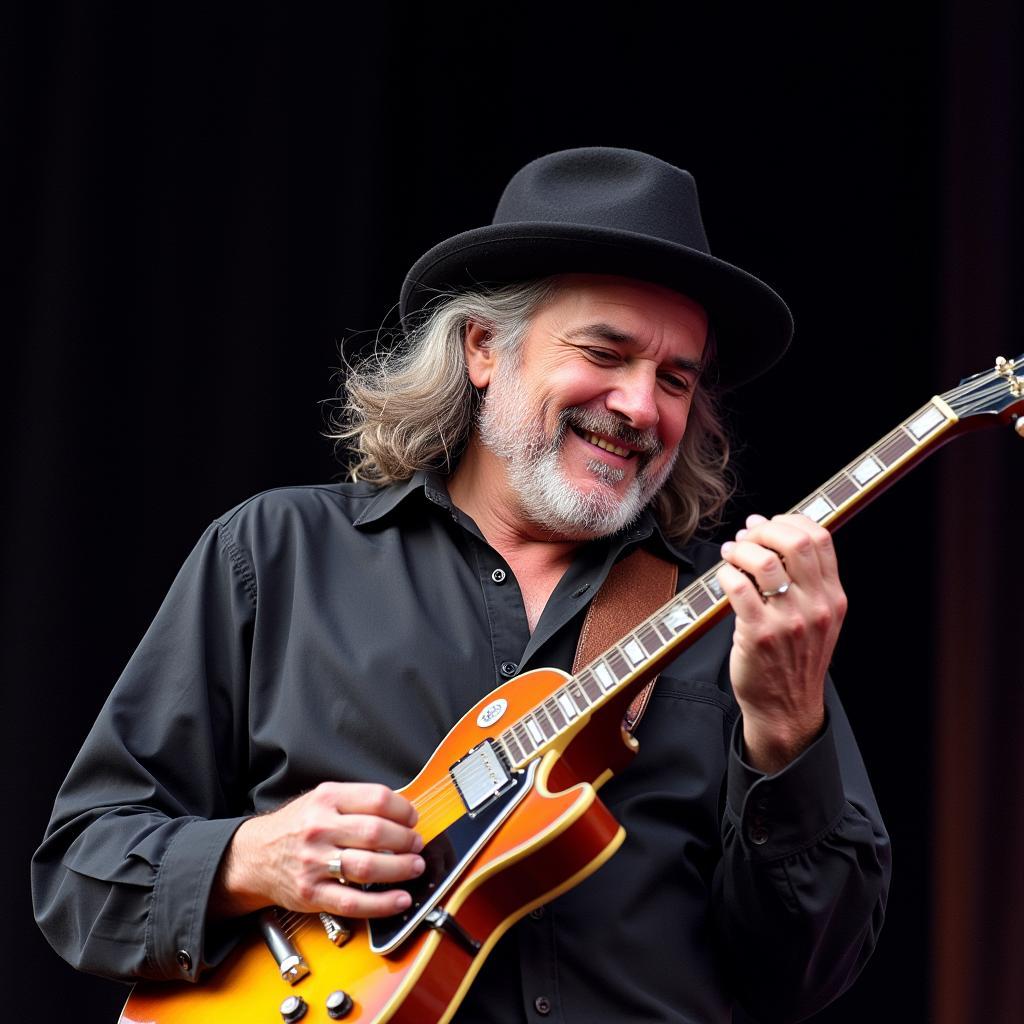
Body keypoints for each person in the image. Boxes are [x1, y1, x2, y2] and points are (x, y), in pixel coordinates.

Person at [33, 147, 890, 1023]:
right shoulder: (277, 552)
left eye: (676, 378)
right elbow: (79, 875)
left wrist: (788, 731)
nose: (641, 406)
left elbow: (811, 972)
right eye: (606, 351)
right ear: (485, 347)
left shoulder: (737, 614)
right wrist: (247, 859)